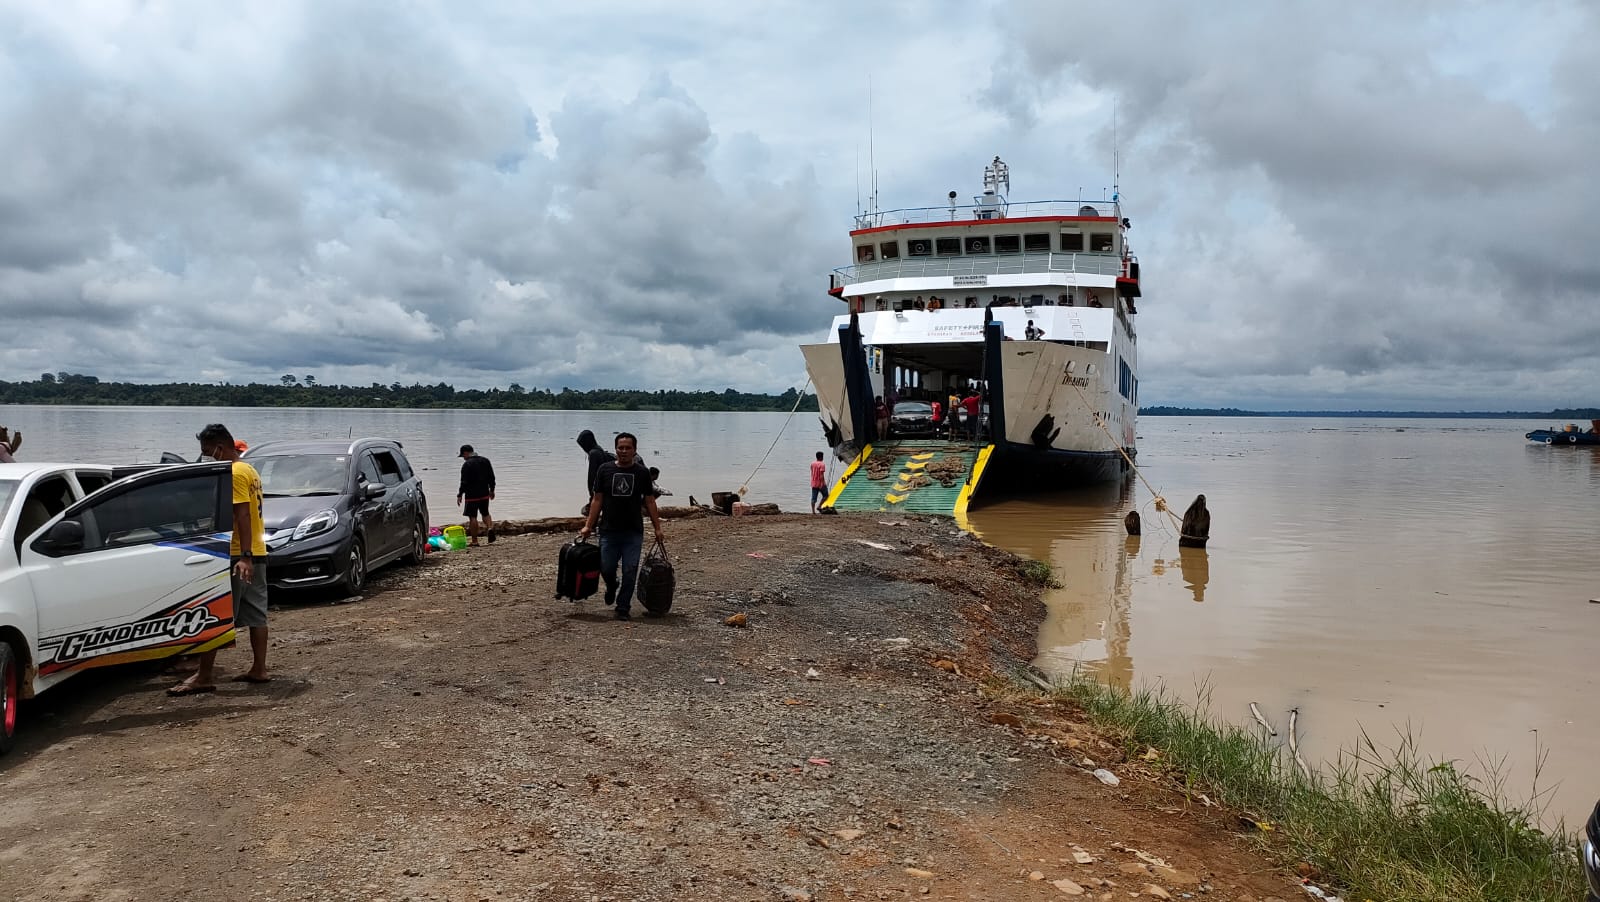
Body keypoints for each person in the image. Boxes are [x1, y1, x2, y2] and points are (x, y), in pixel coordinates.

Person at [171, 423, 269, 695]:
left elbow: (242, 515)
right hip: (257, 552)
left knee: (218, 614)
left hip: (239, 552)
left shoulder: (234, 472)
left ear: (220, 447)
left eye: (207, 451)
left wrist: (244, 556)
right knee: (258, 614)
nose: (206, 456)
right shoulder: (249, 469)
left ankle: (204, 676)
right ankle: (259, 669)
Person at [578, 433, 665, 622]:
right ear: (616, 449)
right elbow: (597, 500)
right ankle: (611, 585)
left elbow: (650, 501)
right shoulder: (604, 470)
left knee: (630, 570)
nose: (624, 451)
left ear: (634, 450)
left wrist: (657, 528)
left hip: (633, 531)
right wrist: (588, 526)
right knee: (607, 567)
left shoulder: (641, 472)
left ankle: (623, 607)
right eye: (620, 448)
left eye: (628, 448)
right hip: (609, 530)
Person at [456, 444, 496, 546]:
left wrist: (460, 494)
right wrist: (492, 490)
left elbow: (464, 482)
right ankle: (490, 527)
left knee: (472, 517)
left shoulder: (467, 465)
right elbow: (491, 477)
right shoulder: (485, 461)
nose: (463, 458)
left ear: (466, 453)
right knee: (485, 513)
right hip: (484, 493)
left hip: (472, 495)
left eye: (463, 456)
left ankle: (474, 541)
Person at [576, 429, 615, 515]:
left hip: (600, 490)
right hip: (607, 488)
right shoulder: (599, 449)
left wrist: (592, 496)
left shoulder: (594, 453)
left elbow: (592, 476)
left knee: (586, 512)